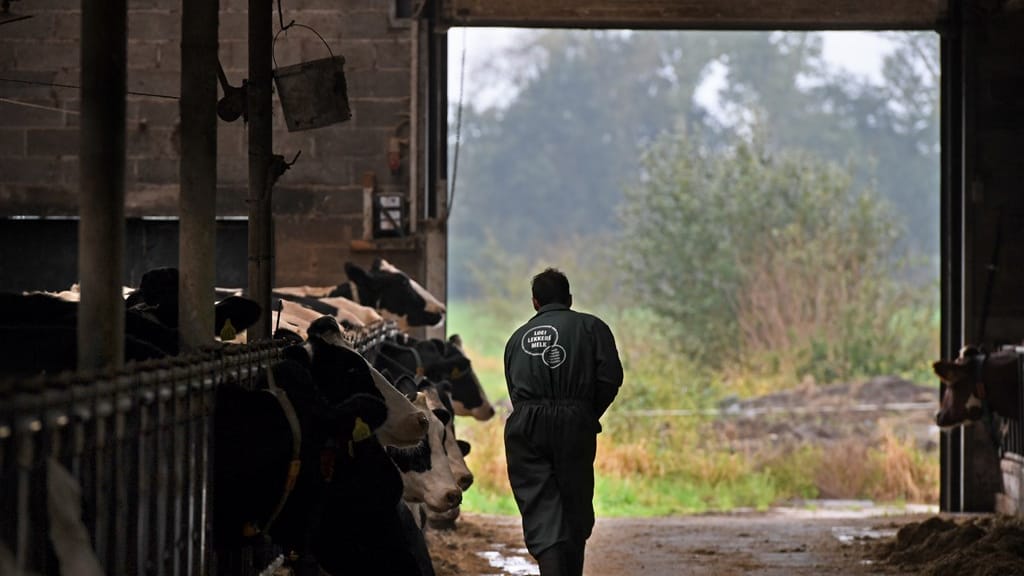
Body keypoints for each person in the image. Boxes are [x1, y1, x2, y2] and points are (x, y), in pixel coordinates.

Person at [503, 268, 624, 576]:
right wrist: (585, 413)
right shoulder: (592, 327)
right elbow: (610, 378)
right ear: (569, 298)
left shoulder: (516, 339)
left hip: (527, 425)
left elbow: (515, 390)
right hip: (576, 422)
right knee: (574, 502)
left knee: (541, 505)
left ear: (535, 302)